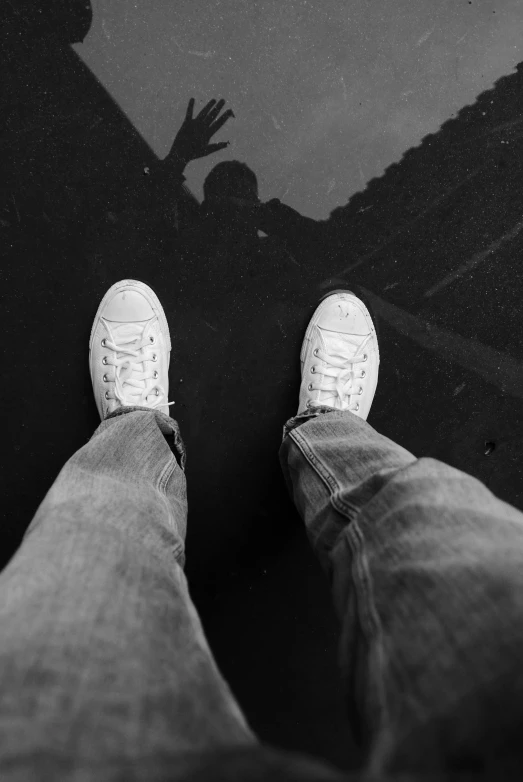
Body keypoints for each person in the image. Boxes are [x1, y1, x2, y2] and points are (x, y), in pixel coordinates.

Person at [1, 100, 523, 782]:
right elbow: (147, 219)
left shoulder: (274, 233)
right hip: (208, 344)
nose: (232, 201)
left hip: (246, 353)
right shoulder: (193, 227)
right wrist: (180, 159)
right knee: (464, 549)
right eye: (224, 192)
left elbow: (330, 264)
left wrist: (274, 233)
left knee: (92, 530)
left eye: (239, 193)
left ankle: (140, 429)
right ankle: (328, 434)